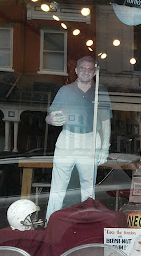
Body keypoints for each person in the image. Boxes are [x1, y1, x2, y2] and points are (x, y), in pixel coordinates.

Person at [45, 56, 112, 221]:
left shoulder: (99, 91)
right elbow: (50, 116)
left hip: (90, 140)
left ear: (94, 72)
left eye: (90, 69)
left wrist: (105, 147)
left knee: (88, 188)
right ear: (76, 70)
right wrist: (51, 119)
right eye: (82, 68)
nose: (86, 72)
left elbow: (105, 121)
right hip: (68, 138)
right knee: (58, 186)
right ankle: (50, 222)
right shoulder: (65, 90)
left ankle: (86, 223)